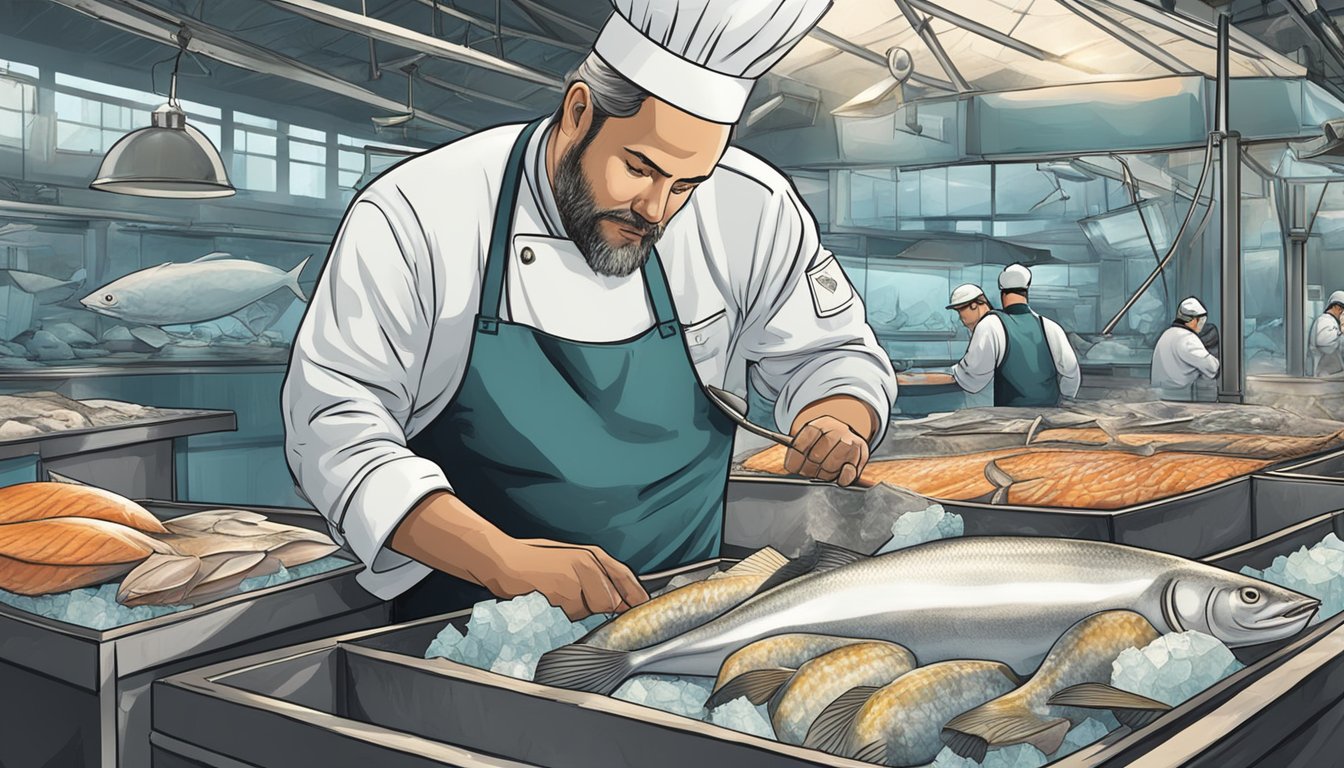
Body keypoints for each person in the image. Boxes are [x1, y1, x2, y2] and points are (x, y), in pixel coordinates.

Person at [281, 0, 896, 623]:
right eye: (640, 168)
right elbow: (335, 430)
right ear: (579, 112)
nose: (657, 210)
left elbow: (834, 353)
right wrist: (503, 560)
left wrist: (837, 414)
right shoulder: (418, 212)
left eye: (685, 185)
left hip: (679, 615)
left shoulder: (751, 206)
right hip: (468, 627)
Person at [950, 264, 1080, 407]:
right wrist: (1062, 401)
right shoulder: (1051, 327)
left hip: (1010, 420)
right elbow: (1071, 373)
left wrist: (951, 373)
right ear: (1026, 293)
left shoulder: (991, 324)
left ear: (1002, 294)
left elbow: (973, 379)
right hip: (1047, 417)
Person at [1150, 297, 1220, 399]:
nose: (1202, 324)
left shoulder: (1167, 333)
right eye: (1201, 320)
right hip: (1179, 397)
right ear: (1192, 320)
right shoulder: (1188, 339)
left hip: (1161, 396)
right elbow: (1212, 367)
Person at [1313, 290, 1344, 377]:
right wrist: (1341, 331)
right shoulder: (1325, 320)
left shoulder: (1332, 322)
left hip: (1332, 373)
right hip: (1324, 375)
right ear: (1337, 307)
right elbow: (1322, 340)